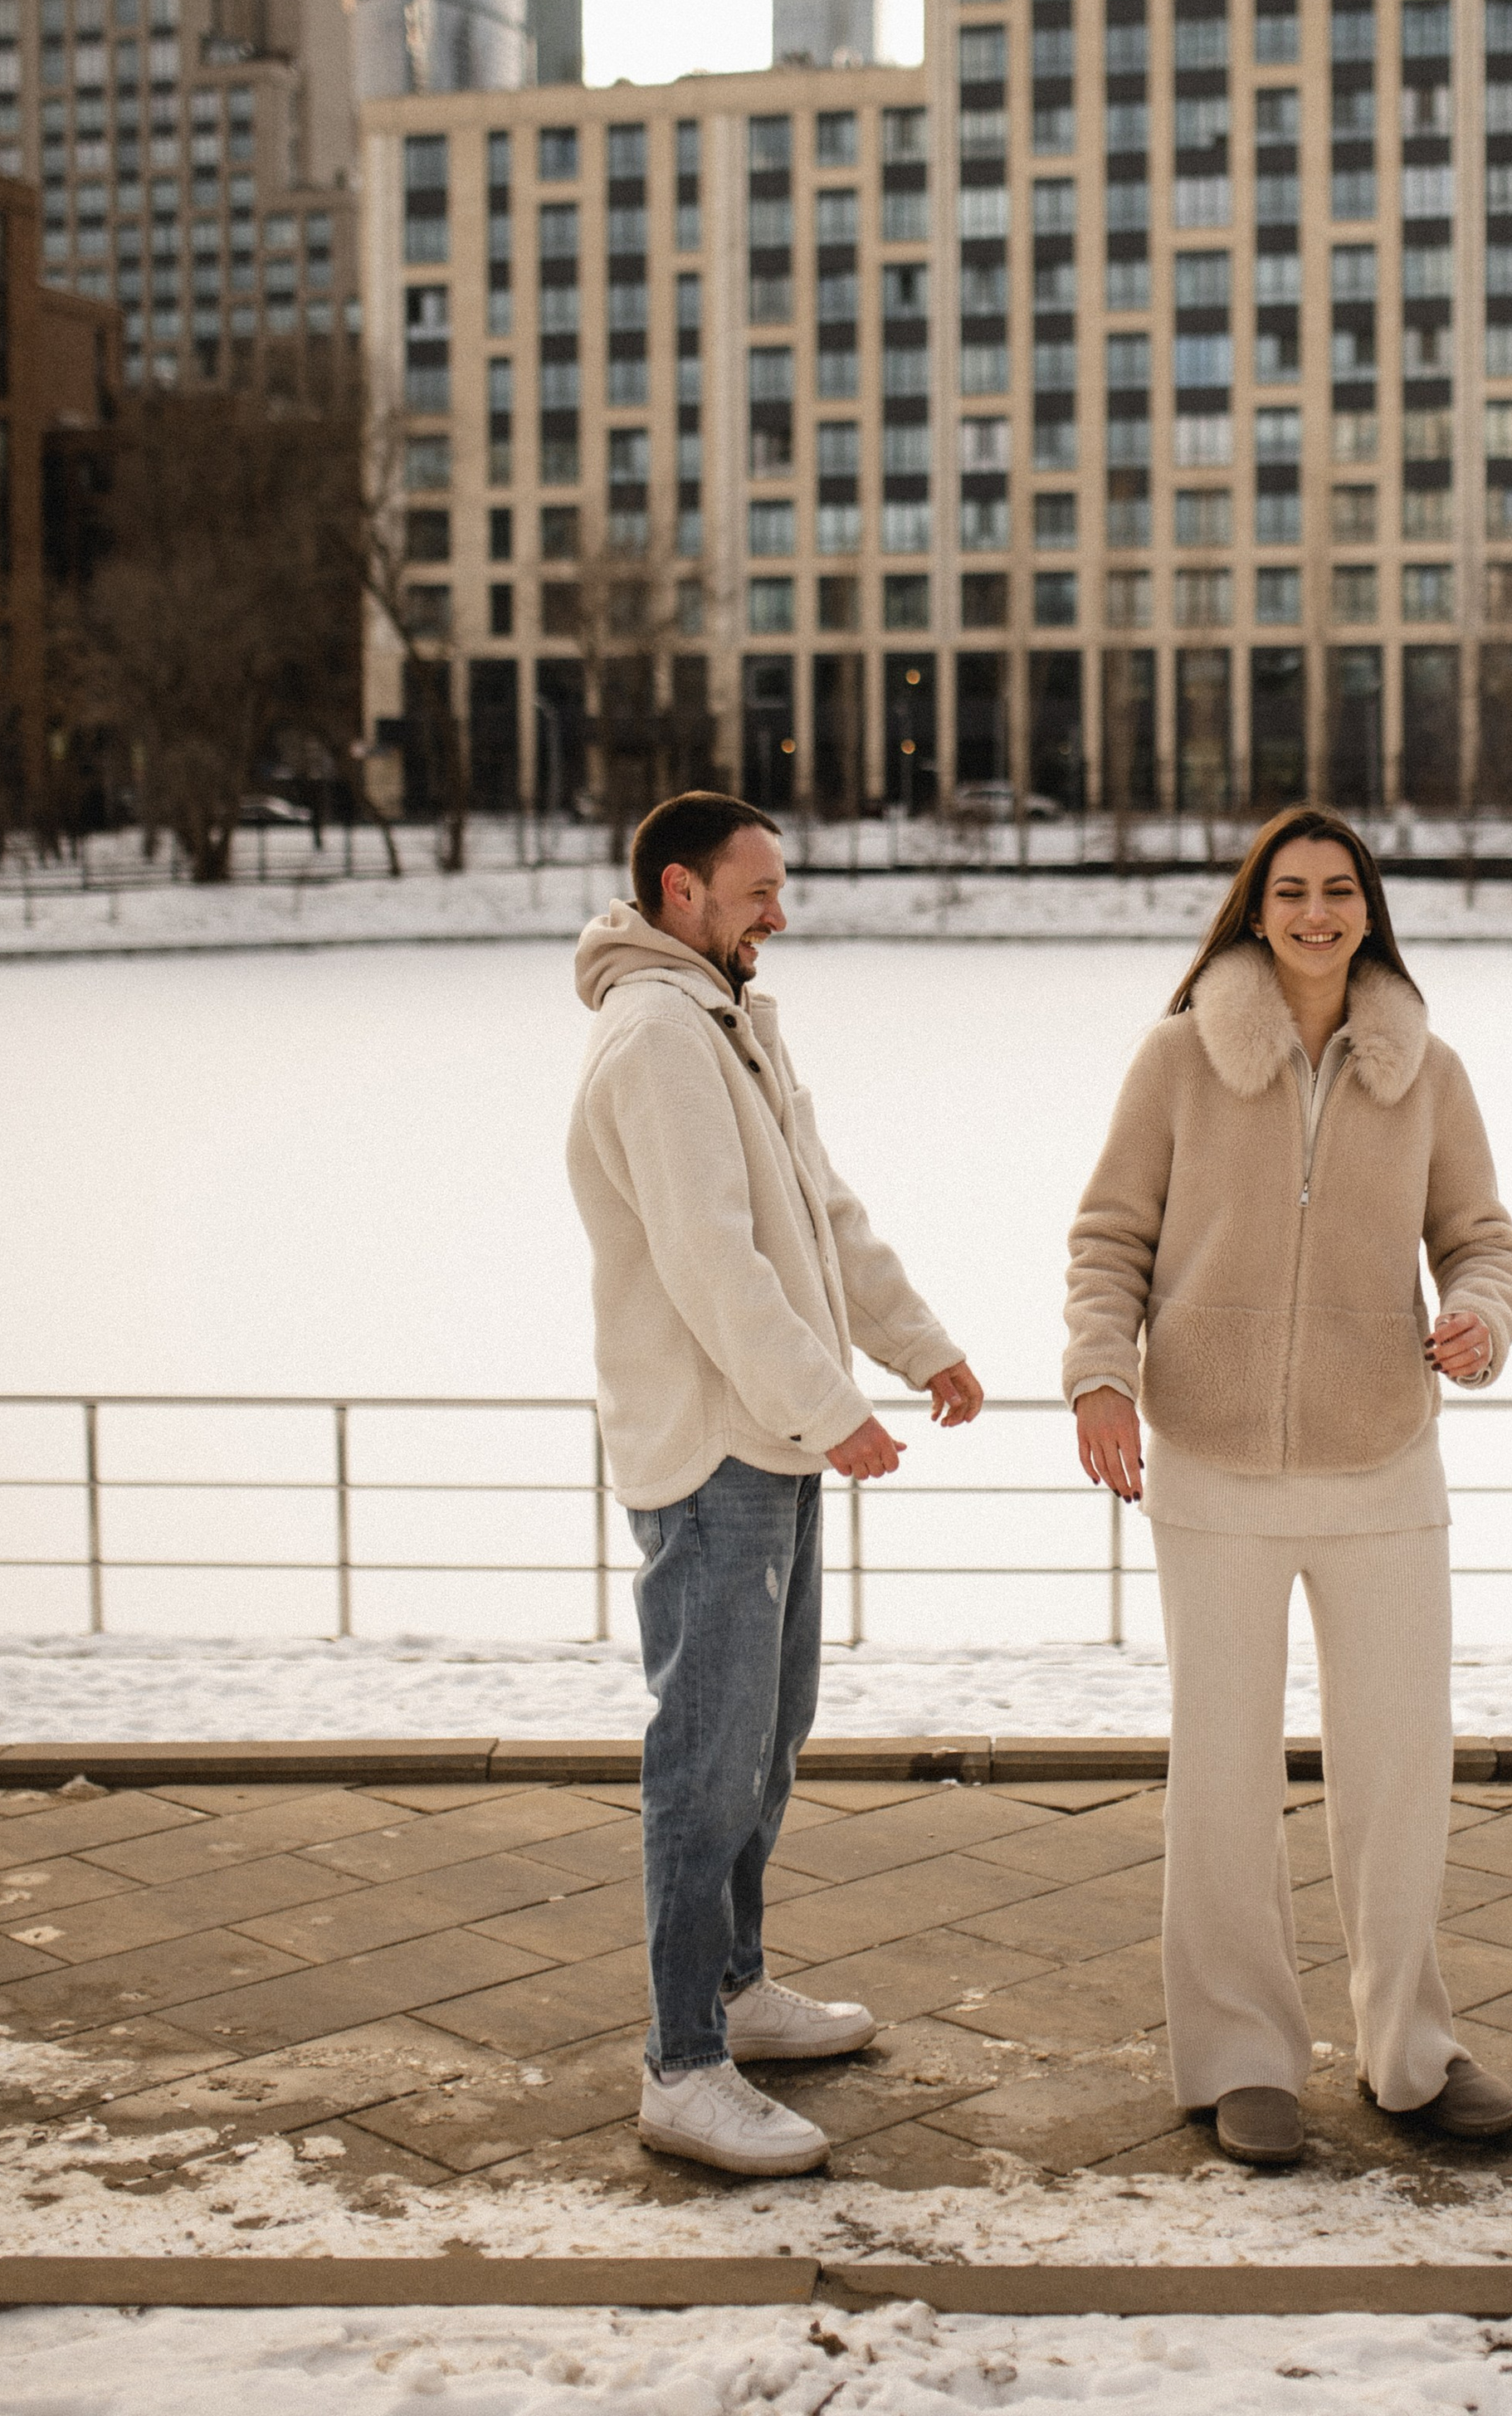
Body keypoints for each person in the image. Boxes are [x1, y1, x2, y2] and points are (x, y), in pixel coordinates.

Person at [1064, 806, 1512, 2169]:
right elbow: (1110, 1238)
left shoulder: (1426, 1070)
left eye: (1338, 893)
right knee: (1220, 1767)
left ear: (1368, 910)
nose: (1315, 914)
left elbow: (1484, 1240)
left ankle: (1411, 2053)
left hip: (1384, 1457)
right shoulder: (1177, 1060)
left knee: (1401, 1768)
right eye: (1290, 893)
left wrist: (1484, 1320)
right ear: (1254, 909)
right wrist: (1098, 1374)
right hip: (1209, 1457)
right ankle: (1239, 2057)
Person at [569, 790, 982, 2178]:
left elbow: (824, 1214)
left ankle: (737, 1991)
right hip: (715, 1456)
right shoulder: (654, 1041)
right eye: (759, 890)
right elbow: (710, 1261)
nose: (780, 911)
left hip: (775, 1445)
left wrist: (919, 1349)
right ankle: (682, 2065)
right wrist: (832, 1408)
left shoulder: (731, 1022)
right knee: (704, 1761)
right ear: (682, 892)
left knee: (771, 1737)